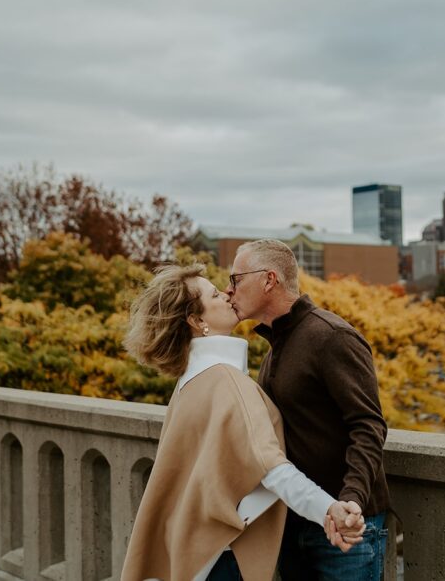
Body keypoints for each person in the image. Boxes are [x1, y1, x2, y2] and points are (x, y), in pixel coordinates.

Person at [120, 263, 365, 581]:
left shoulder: (189, 383)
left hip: (194, 555)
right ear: (197, 320)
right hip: (223, 556)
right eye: (214, 294)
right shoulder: (227, 382)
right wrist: (328, 510)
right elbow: (271, 469)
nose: (227, 294)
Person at [226, 239, 391, 581]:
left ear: (269, 279)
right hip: (294, 521)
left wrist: (351, 501)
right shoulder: (274, 350)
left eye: (236, 279)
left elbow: (368, 426)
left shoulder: (331, 336)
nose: (229, 291)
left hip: (346, 525)